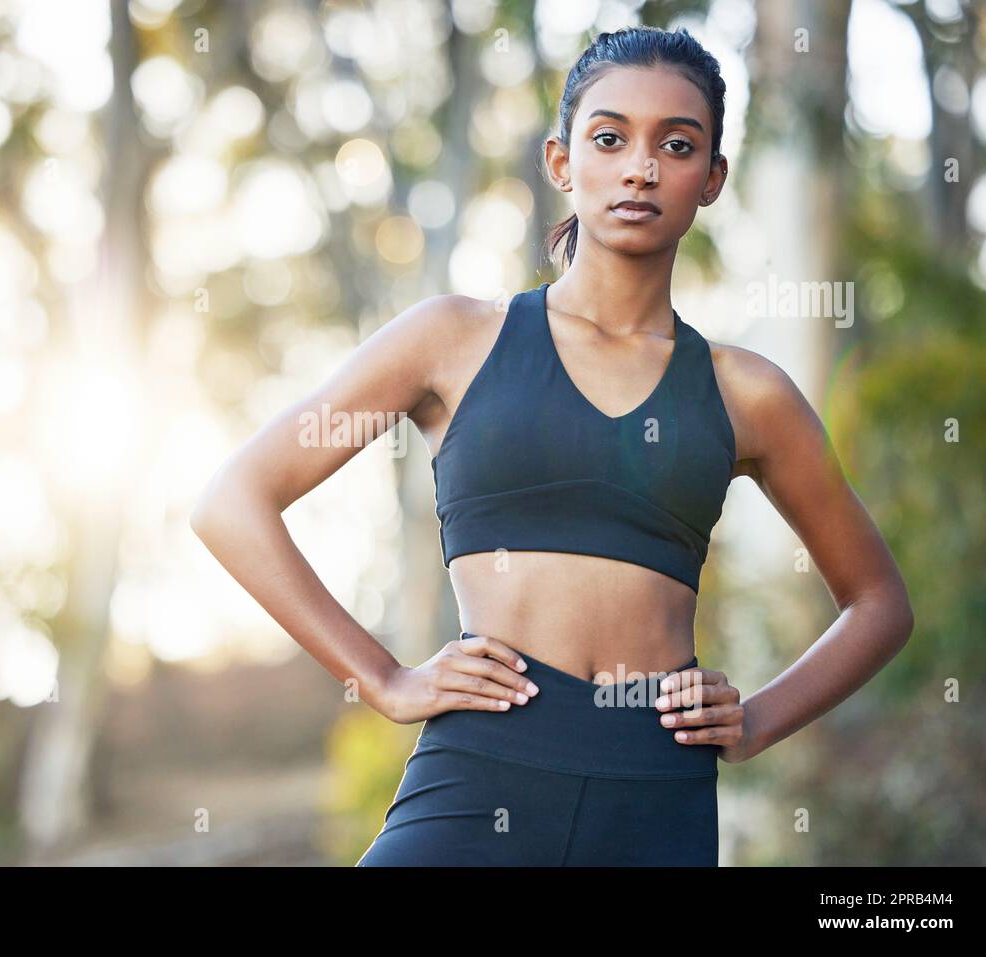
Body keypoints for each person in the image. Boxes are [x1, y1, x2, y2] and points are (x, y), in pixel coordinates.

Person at [189, 25, 914, 866]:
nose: (640, 167)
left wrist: (755, 720)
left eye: (676, 145)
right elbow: (233, 502)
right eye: (610, 138)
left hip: (655, 798)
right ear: (563, 162)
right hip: (476, 777)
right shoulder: (453, 340)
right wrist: (385, 680)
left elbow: (879, 603)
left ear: (712, 177)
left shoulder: (746, 393)